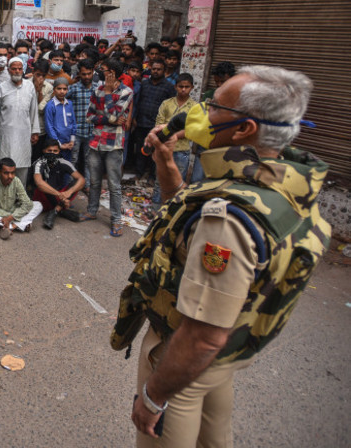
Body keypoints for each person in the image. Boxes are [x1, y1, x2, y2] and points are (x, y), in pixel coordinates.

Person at [122, 66, 330, 448]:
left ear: (245, 129)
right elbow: (188, 226)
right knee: (216, 435)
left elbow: (202, 338)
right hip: (225, 354)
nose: (201, 112)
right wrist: (166, 166)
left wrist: (152, 399)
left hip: (183, 355)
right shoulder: (278, 181)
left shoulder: (230, 218)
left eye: (215, 106)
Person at [81, 58, 133, 237]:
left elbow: (115, 113)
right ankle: (92, 210)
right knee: (94, 180)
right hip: (96, 141)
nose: (101, 73)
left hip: (114, 144)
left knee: (114, 184)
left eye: (103, 70)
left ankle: (116, 219)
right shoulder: (98, 90)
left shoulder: (126, 92)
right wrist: (108, 119)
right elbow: (90, 116)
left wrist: (110, 93)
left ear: (112, 73)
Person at [152, 73, 199, 204]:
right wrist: (169, 132)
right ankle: (155, 209)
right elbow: (158, 123)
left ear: (192, 88)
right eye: (180, 86)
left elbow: (192, 130)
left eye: (187, 87)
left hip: (181, 150)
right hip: (164, 147)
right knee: (159, 180)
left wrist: (172, 135)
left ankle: (172, 209)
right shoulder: (166, 103)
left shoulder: (195, 107)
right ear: (175, 87)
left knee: (177, 182)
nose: (183, 89)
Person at [0, 57, 40, 186]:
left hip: (24, 134)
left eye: (20, 69)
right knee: (5, 165)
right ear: (9, 70)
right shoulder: (1, 88)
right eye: (14, 69)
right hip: (6, 134)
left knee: (23, 166)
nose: (17, 71)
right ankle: (3, 198)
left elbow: (33, 110)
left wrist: (35, 131)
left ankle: (20, 197)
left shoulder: (29, 86)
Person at [0, 157, 43, 239]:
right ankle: (20, 224)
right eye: (6, 173)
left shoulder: (16, 181)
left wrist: (11, 218)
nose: (10, 176)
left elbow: (27, 203)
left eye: (13, 173)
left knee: (38, 205)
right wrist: (12, 217)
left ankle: (10, 227)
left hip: (12, 212)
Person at [133, 59, 175, 180]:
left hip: (157, 125)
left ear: (164, 71)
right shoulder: (144, 83)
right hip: (141, 122)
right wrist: (135, 118)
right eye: (154, 69)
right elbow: (138, 101)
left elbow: (170, 107)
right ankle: (139, 173)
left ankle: (152, 177)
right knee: (141, 150)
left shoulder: (168, 87)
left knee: (155, 151)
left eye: (159, 69)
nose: (156, 71)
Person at [33, 140, 84, 229]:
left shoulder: (64, 162)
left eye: (55, 151)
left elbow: (81, 179)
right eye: (49, 151)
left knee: (76, 183)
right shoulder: (39, 163)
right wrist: (60, 195)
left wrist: (68, 192)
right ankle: (61, 210)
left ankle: (55, 211)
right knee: (44, 185)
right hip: (43, 199)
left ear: (59, 151)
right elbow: (39, 183)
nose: (52, 153)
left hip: (60, 197)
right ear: (44, 151)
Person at [67, 58, 95, 187]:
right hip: (76, 131)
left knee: (89, 161)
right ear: (79, 74)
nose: (87, 76)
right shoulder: (73, 88)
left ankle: (87, 185)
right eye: (84, 74)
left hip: (91, 130)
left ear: (93, 72)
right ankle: (70, 185)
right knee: (73, 160)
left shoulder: (97, 89)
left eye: (89, 73)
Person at [44, 77, 76, 165]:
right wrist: (59, 144)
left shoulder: (69, 104)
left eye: (64, 89)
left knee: (67, 167)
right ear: (54, 89)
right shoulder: (50, 105)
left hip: (68, 144)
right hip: (55, 145)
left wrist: (72, 141)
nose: (62, 91)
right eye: (59, 88)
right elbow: (49, 126)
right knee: (54, 168)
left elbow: (73, 122)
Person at [31, 59, 54, 164]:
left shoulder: (49, 87)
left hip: (40, 129)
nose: (40, 78)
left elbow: (41, 109)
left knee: (37, 159)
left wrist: (39, 91)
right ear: (33, 73)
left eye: (43, 76)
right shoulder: (25, 84)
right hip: (26, 128)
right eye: (38, 75)